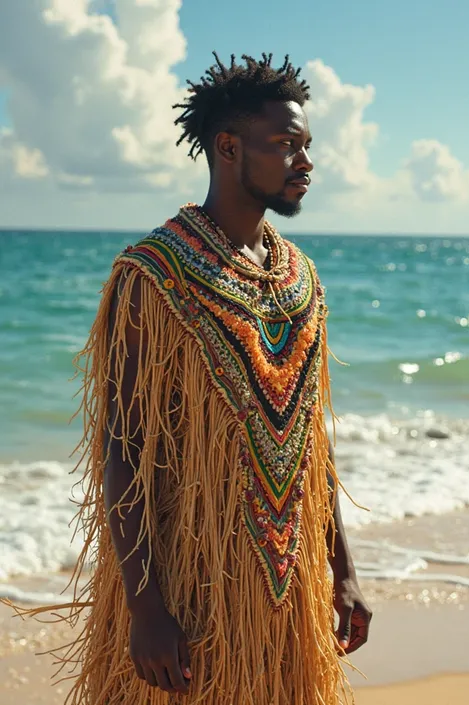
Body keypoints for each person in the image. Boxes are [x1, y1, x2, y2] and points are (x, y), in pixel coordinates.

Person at [24, 52, 372, 704]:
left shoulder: (301, 280)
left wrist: (343, 570)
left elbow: (306, 445)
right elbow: (123, 448)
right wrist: (146, 605)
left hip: (287, 597)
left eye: (307, 145)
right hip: (188, 595)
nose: (306, 160)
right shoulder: (153, 275)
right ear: (229, 147)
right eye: (286, 144)